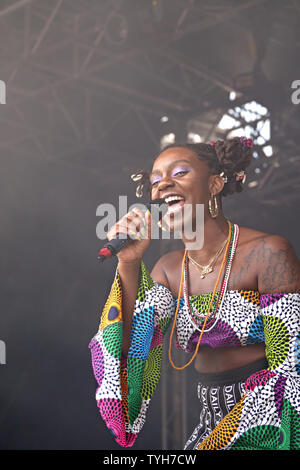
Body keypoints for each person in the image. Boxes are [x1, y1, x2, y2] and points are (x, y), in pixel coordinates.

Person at [89, 137, 300, 450]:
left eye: (180, 173)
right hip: (209, 422)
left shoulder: (268, 252)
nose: (163, 186)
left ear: (214, 184)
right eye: (155, 181)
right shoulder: (169, 270)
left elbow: (291, 369)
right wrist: (129, 264)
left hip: (270, 418)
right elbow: (130, 352)